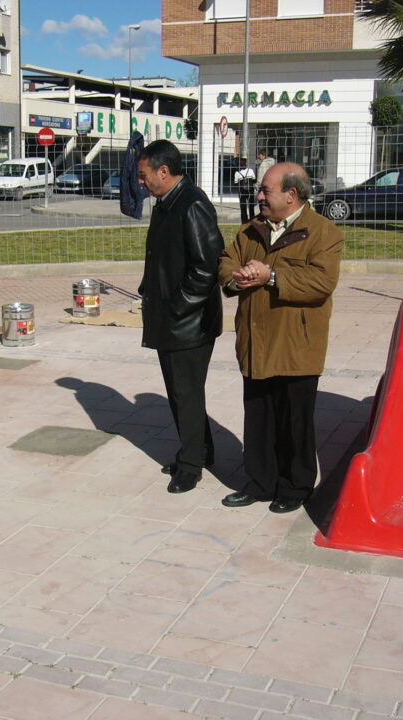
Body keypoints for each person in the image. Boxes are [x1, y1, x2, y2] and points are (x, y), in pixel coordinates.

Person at [218, 162, 343, 513]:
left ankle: (296, 486)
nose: (259, 196)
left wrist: (270, 276)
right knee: (258, 418)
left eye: (265, 191)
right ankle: (260, 482)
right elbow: (227, 261)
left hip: (295, 345)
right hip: (255, 341)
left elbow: (320, 283)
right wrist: (237, 276)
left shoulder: (324, 233)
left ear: (291, 195)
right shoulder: (251, 230)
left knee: (295, 421)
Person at [138, 139, 224, 494]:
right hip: (170, 317)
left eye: (144, 175)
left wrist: (178, 306)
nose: (140, 181)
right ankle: (200, 450)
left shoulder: (191, 205)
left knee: (186, 394)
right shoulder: (166, 203)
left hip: (188, 322)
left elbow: (208, 265)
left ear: (163, 171)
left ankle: (191, 466)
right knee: (179, 393)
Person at [234, 157, 257, 224]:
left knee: (243, 207)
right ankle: (252, 221)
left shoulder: (237, 173)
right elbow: (254, 180)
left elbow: (235, 183)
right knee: (251, 206)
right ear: (246, 163)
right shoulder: (251, 171)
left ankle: (244, 222)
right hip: (250, 191)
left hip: (242, 192)